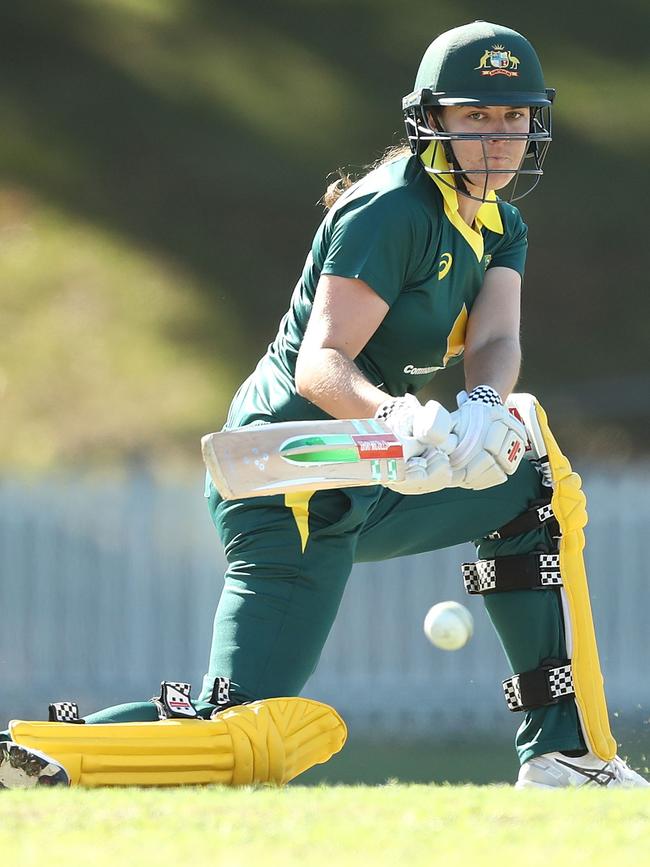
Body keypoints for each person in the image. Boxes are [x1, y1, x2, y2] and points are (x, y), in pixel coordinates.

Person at [2, 20, 647, 790]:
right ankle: (41, 753)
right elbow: (321, 364)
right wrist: (402, 415)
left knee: (531, 482)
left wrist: (480, 402)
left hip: (372, 472)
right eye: (476, 115)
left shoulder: (500, 222)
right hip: (294, 474)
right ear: (431, 119)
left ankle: (565, 755)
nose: (498, 137)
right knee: (256, 733)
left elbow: (498, 338)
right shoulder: (390, 210)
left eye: (513, 117)